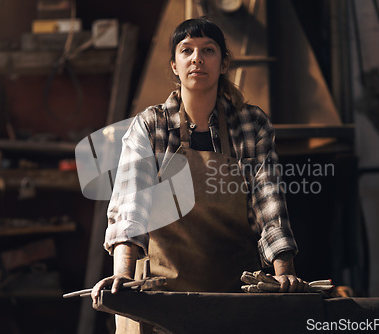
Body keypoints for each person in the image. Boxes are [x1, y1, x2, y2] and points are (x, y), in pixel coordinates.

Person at [91, 16, 307, 331]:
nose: (197, 58)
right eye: (186, 50)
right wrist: (122, 274)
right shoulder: (151, 126)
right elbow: (130, 202)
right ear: (175, 66)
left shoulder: (251, 125)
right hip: (159, 301)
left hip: (233, 297)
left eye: (208, 49)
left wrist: (283, 272)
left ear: (223, 64)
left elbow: (268, 199)